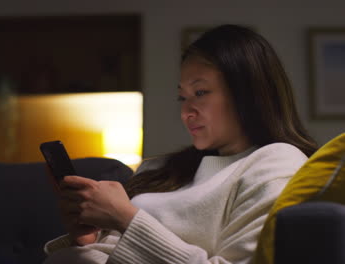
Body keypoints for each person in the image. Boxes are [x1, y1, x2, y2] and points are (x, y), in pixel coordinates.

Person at [42, 24, 318, 264]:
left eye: (200, 92)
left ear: (248, 93)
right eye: (182, 97)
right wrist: (87, 239)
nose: (187, 111)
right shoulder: (161, 167)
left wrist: (125, 218)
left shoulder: (277, 162)